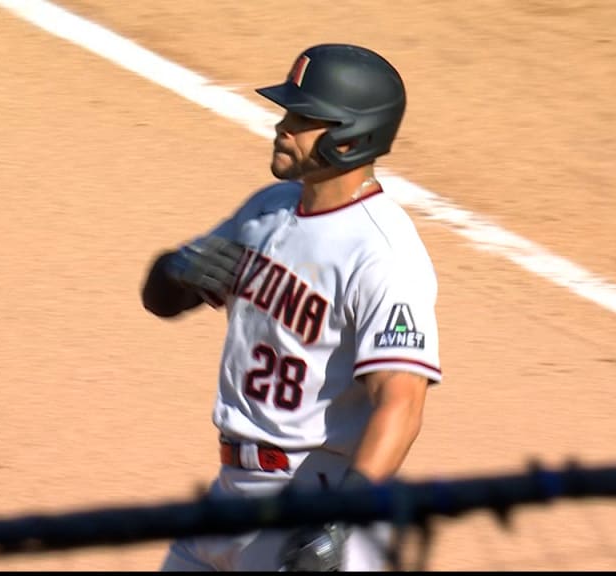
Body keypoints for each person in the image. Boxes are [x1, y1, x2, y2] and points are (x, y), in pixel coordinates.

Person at [141, 43, 442, 572]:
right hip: (230, 495)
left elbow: (402, 404)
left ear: (351, 136)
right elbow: (161, 301)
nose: (283, 127)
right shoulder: (266, 210)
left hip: (313, 505)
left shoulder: (382, 254)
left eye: (304, 119)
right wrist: (176, 270)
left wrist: (339, 523)